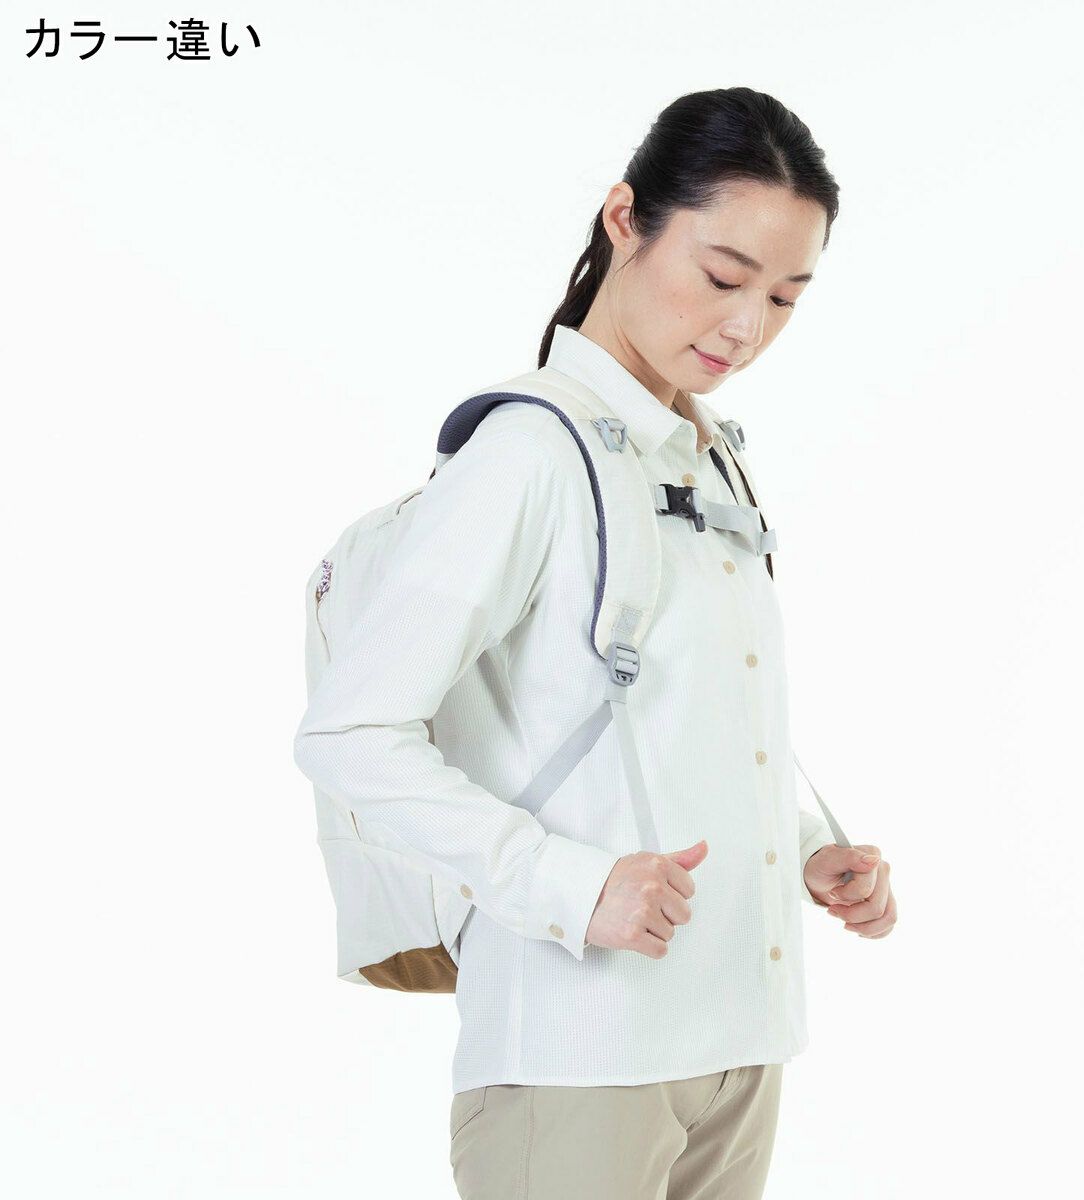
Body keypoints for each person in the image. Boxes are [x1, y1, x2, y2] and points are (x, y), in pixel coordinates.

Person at [294, 85, 896, 1200]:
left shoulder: (707, 456)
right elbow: (349, 734)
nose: (746, 328)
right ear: (626, 218)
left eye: (785, 296)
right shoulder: (527, 455)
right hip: (579, 1054)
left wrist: (809, 844)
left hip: (742, 1045)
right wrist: (569, 885)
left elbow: (687, 711)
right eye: (723, 276)